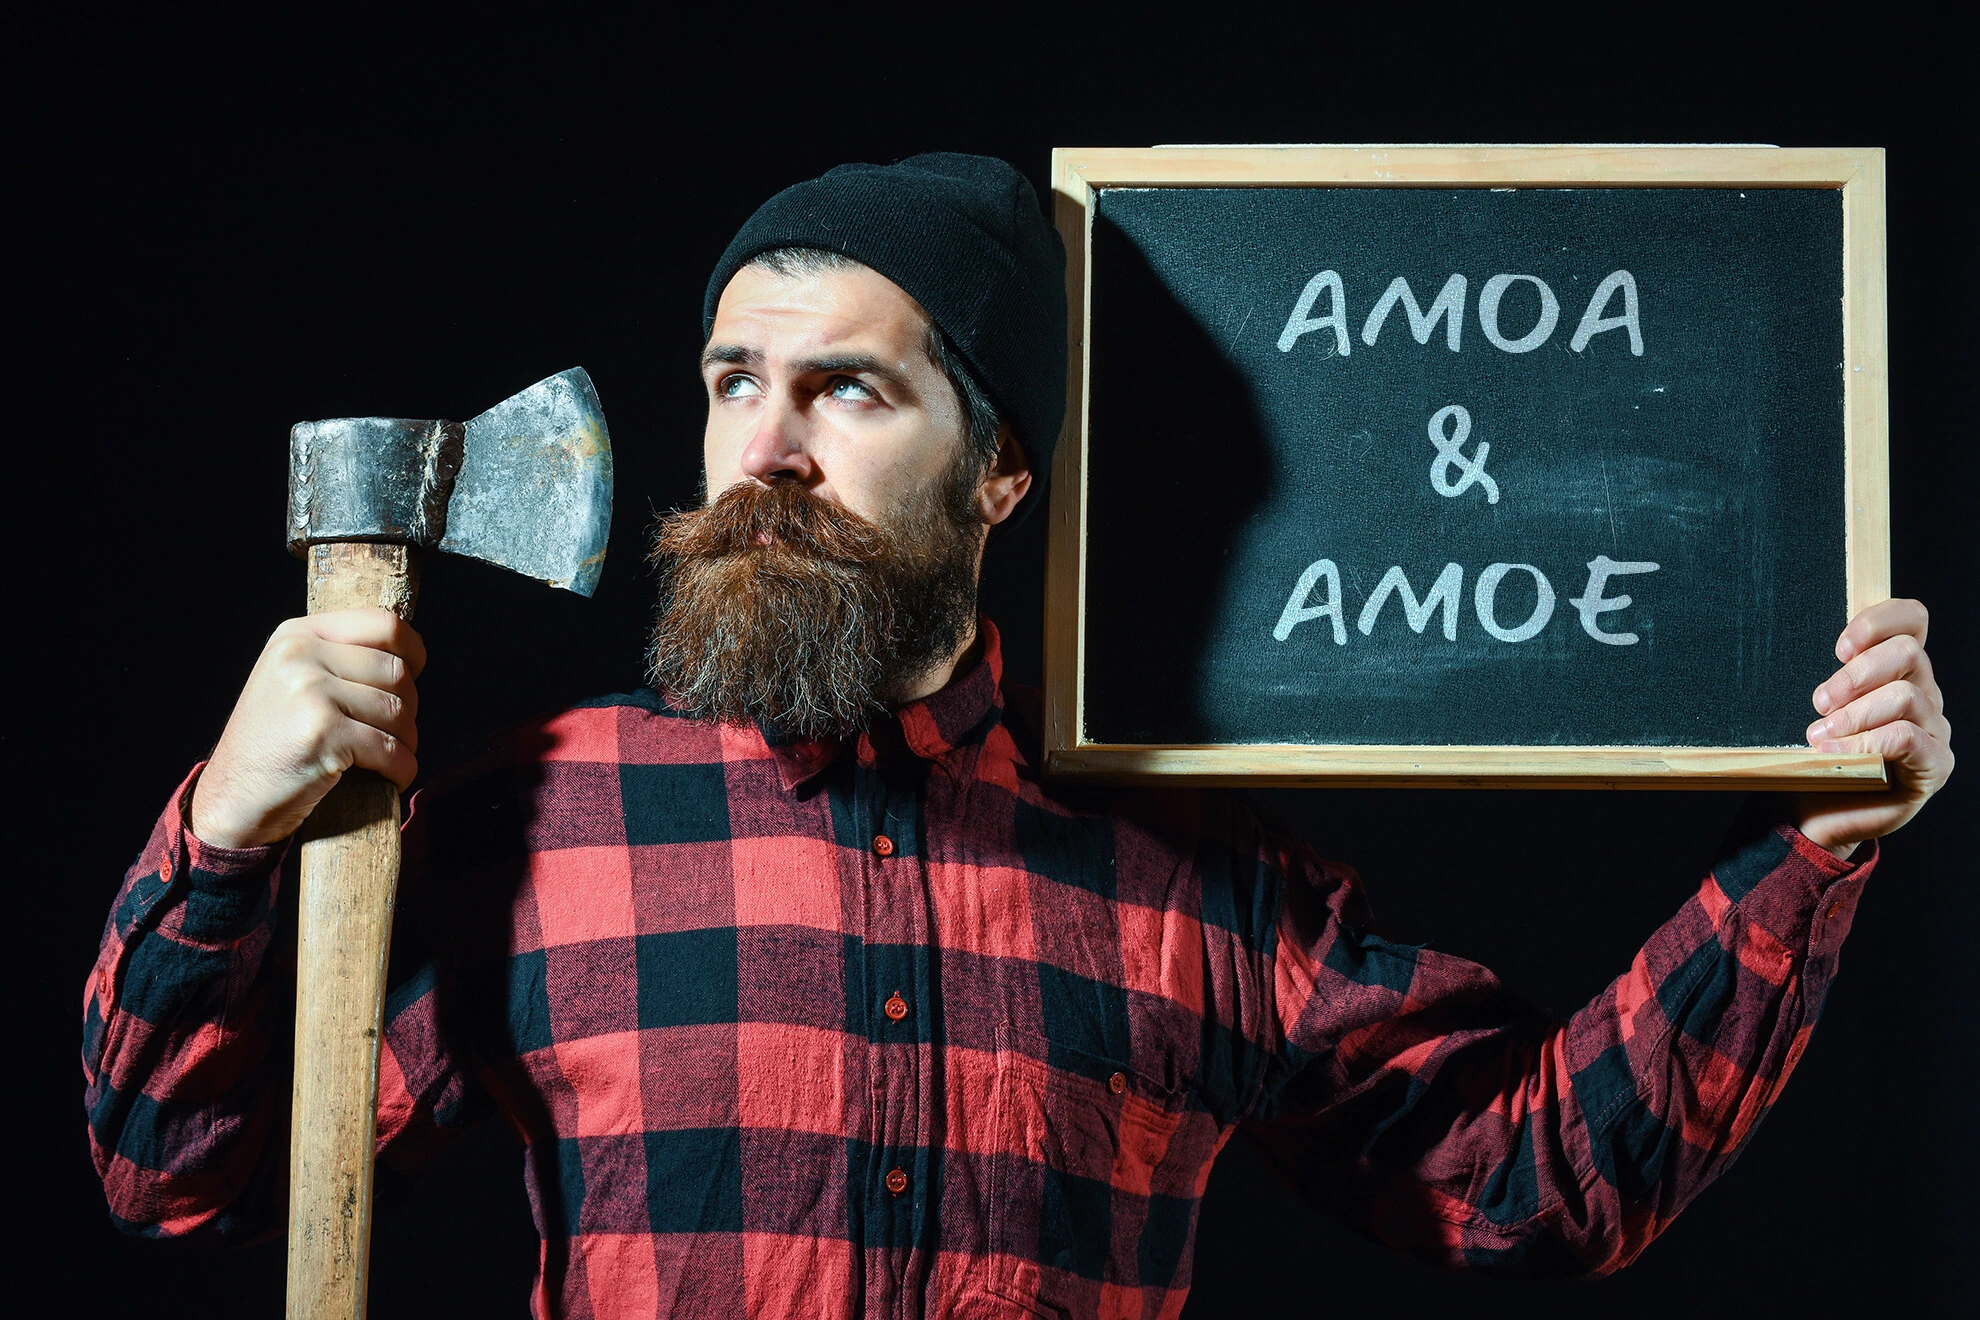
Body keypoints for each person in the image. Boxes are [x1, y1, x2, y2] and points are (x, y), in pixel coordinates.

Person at [84, 154, 1954, 1319]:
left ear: (997, 474)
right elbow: (191, 1186)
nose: (766, 448)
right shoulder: (539, 826)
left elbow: (1531, 1185)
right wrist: (229, 844)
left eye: (846, 389)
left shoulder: (1196, 875)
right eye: (734, 381)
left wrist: (1822, 853)